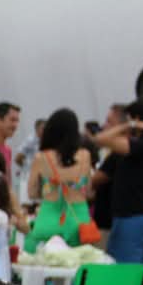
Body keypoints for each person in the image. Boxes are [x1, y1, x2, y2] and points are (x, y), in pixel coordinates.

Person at [95, 110, 143, 265]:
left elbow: (100, 139)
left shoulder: (139, 145)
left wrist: (129, 125)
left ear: (138, 119)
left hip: (131, 217)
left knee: (125, 273)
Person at [24, 107, 95, 251]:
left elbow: (31, 193)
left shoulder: (41, 157)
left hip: (49, 218)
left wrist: (48, 190)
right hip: (79, 221)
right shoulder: (85, 155)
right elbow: (87, 190)